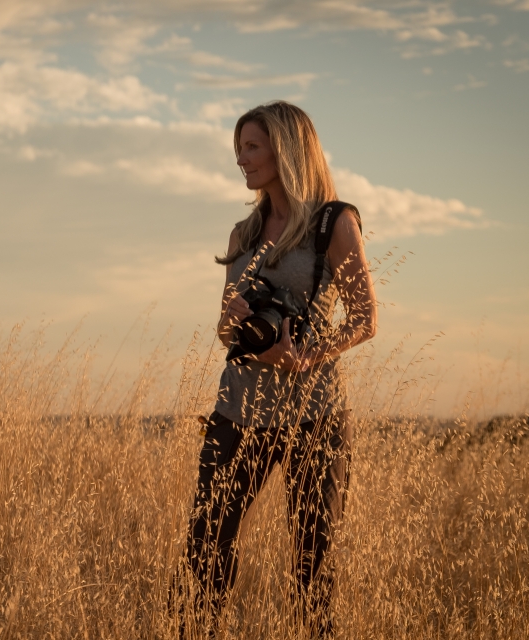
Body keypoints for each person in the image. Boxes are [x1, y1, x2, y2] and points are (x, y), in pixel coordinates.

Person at [178, 101, 377, 638]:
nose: (240, 159)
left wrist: (305, 355)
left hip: (315, 414)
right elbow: (224, 331)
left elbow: (365, 320)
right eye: (238, 147)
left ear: (285, 148)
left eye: (251, 147)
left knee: (315, 563)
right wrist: (236, 321)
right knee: (204, 547)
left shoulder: (334, 223)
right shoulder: (243, 232)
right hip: (238, 408)